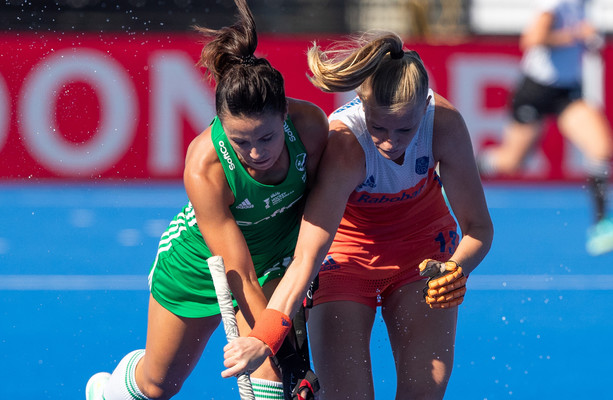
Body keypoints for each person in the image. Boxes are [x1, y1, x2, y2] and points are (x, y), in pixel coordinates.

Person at [221, 31, 493, 400]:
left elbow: (478, 228)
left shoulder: (444, 123)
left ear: (424, 106)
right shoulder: (346, 145)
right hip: (345, 256)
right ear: (362, 106)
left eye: (405, 129)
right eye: (378, 127)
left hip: (423, 251)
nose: (391, 142)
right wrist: (266, 337)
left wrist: (457, 267)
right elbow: (305, 259)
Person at [84, 0, 328, 399]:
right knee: (157, 385)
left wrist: (273, 345)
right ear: (221, 126)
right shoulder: (205, 166)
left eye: (266, 138)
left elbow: (318, 210)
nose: (255, 153)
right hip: (204, 264)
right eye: (241, 141)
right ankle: (109, 390)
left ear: (284, 113)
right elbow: (240, 273)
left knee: (274, 375)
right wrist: (272, 340)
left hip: (278, 260)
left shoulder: (312, 128)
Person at [477, 0, 613, 256]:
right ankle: (464, 170)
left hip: (568, 91)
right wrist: (575, 35)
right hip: (536, 90)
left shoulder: (584, 4)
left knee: (601, 148)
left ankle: (600, 225)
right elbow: (532, 39)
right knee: (511, 162)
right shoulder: (556, 3)